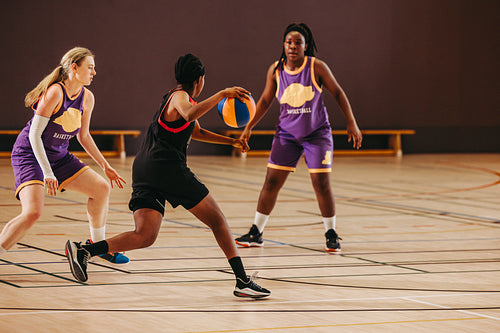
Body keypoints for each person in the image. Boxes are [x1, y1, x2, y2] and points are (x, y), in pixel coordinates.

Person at [65, 54, 271, 298]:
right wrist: (222, 94)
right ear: (199, 80)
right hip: (167, 169)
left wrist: (231, 141)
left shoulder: (173, 97)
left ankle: (84, 251)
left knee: (145, 235)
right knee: (217, 220)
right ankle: (242, 280)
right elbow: (189, 114)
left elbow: (197, 130)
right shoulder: (180, 97)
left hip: (145, 169)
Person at [235, 23, 362, 252]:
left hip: (317, 134)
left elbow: (338, 93)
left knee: (321, 183)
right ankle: (256, 232)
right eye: (289, 42)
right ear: (283, 45)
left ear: (306, 46)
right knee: (271, 181)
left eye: (298, 43)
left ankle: (331, 233)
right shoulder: (276, 70)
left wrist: (351, 122)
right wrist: (248, 127)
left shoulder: (316, 67)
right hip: (287, 136)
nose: (293, 46)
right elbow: (264, 101)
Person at [0, 47, 129, 264]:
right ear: (74, 67)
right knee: (33, 212)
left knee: (101, 188)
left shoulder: (88, 98)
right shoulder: (55, 93)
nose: (94, 72)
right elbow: (35, 136)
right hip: (30, 154)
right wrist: (47, 173)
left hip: (58, 156)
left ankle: (97, 246)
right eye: (90, 67)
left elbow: (84, 136)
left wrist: (105, 165)